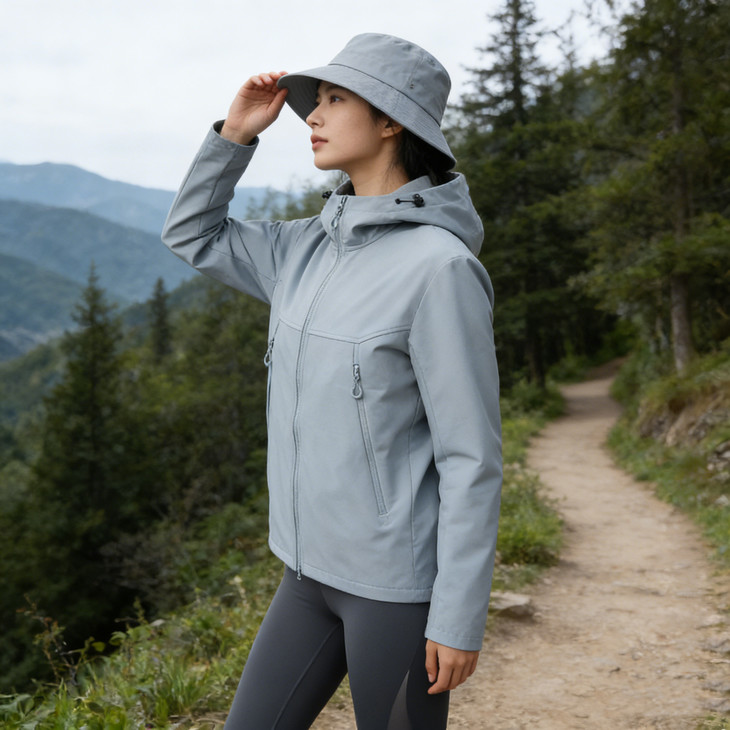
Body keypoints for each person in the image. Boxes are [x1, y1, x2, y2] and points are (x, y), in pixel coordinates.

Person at [162, 32, 502, 730]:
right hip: (304, 575)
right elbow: (193, 234)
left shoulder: (441, 270)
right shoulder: (303, 248)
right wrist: (234, 136)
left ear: (391, 121)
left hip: (396, 591)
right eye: (316, 100)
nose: (312, 115)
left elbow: (471, 458)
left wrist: (458, 616)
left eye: (335, 99)